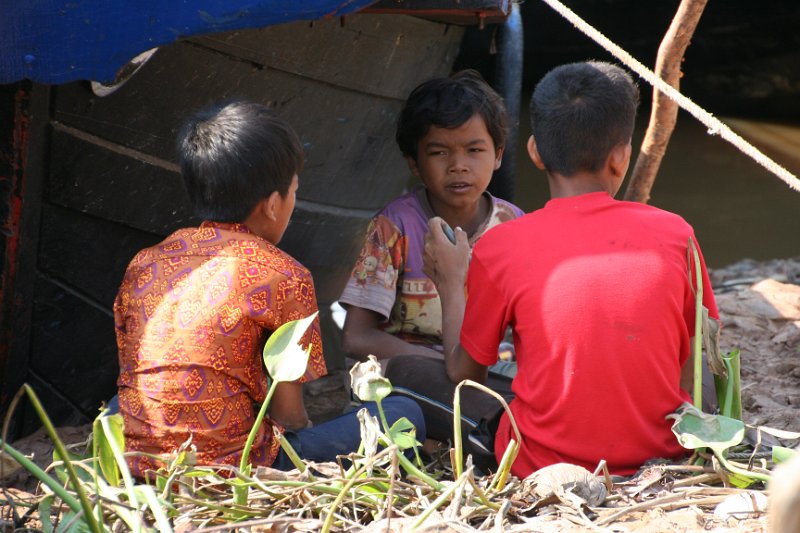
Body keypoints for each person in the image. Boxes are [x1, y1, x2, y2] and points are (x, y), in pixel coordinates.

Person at [411, 61, 720, 477]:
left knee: (409, 372)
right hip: (663, 455)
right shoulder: (676, 233)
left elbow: (464, 374)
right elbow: (695, 357)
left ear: (535, 151)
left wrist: (451, 282)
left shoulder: (503, 244)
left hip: (543, 462)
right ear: (621, 157)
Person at [114, 101, 424, 478]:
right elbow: (289, 418)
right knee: (405, 414)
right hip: (238, 470)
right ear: (274, 204)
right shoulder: (284, 274)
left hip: (141, 464)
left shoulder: (145, 261)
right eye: (294, 191)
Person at [339, 70, 524, 361]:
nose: (458, 166)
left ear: (498, 154)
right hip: (414, 370)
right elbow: (356, 337)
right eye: (439, 153)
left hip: (487, 369)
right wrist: (448, 364)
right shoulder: (394, 226)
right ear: (414, 163)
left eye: (474, 149)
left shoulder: (514, 225)